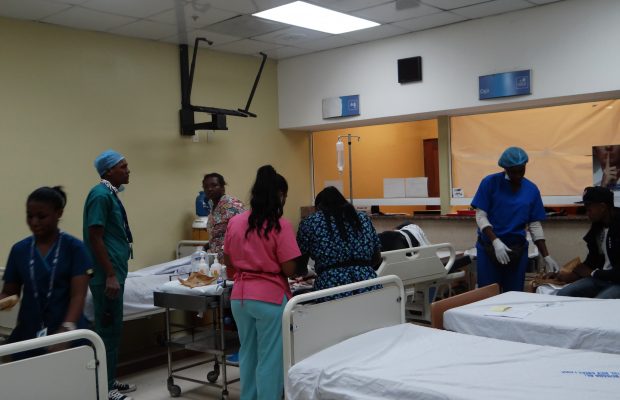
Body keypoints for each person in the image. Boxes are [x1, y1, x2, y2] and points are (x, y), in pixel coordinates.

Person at [223, 165, 300, 400]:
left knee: (248, 353)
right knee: (270, 357)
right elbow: (289, 268)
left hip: (240, 297)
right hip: (270, 299)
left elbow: (228, 261)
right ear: (279, 195)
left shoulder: (235, 222)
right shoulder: (280, 225)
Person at [0, 187, 90, 358]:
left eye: (41, 216)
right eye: (29, 216)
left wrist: (66, 330)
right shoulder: (19, 250)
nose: (34, 222)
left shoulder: (75, 248)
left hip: (66, 331)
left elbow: (78, 296)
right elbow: (10, 293)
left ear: (59, 213)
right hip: (29, 333)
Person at [83, 150, 136, 400]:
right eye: (122, 166)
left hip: (114, 271)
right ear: (108, 171)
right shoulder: (100, 195)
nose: (128, 170)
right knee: (107, 330)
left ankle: (110, 379)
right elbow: (95, 237)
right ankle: (104, 388)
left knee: (113, 330)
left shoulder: (109, 194)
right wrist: (111, 275)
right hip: (107, 276)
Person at [472, 147, 560, 292]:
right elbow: (481, 216)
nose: (518, 175)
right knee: (488, 294)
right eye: (513, 171)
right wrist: (495, 241)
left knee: (514, 294)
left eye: (521, 170)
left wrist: (546, 256)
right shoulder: (490, 183)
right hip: (489, 248)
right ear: (505, 168)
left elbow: (534, 225)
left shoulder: (531, 189)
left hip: (516, 250)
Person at [296, 186, 382, 300]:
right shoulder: (363, 219)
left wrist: (317, 272)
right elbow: (377, 258)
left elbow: (300, 267)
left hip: (331, 287)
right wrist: (358, 268)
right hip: (368, 284)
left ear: (319, 207)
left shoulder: (310, 222)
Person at [557, 186, 620, 298]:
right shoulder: (598, 227)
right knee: (563, 294)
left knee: (599, 302)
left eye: (589, 209)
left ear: (602, 207)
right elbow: (593, 259)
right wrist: (571, 274)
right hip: (601, 278)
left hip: (616, 281)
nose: (587, 213)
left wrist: (593, 273)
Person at [203, 172, 245, 262]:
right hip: (215, 260)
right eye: (206, 187)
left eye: (214, 185)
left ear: (222, 187)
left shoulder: (232, 204)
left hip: (231, 260)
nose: (209, 189)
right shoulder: (212, 205)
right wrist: (206, 246)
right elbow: (218, 236)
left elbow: (243, 233)